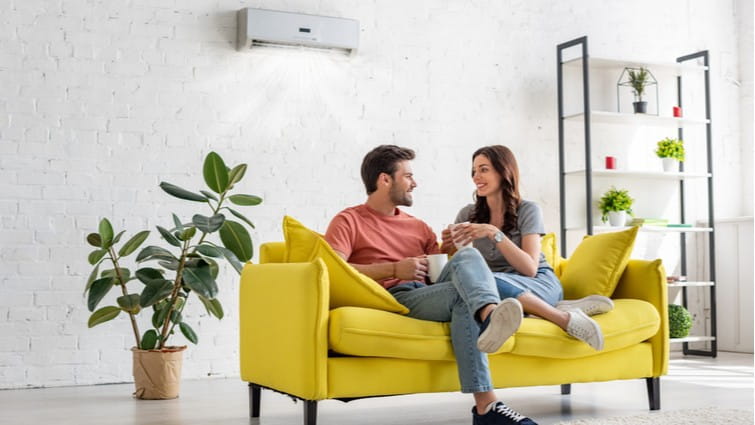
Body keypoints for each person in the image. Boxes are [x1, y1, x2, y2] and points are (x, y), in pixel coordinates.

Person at [325, 145, 538, 425]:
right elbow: (332, 270)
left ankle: (487, 401)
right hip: (394, 297)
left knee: (468, 260)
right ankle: (490, 324)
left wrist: (451, 249)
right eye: (409, 176)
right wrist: (393, 269)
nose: (415, 183)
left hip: (427, 294)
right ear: (384, 180)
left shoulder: (419, 227)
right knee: (467, 293)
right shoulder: (348, 220)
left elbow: (439, 276)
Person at [442, 145, 614, 351]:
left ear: (504, 171)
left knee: (483, 281)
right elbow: (459, 264)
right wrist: (448, 246)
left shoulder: (528, 210)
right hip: (497, 291)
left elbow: (530, 269)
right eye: (474, 171)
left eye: (484, 169)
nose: (476, 176)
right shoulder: (467, 214)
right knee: (468, 284)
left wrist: (493, 233)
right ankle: (552, 309)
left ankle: (563, 319)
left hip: (538, 283)